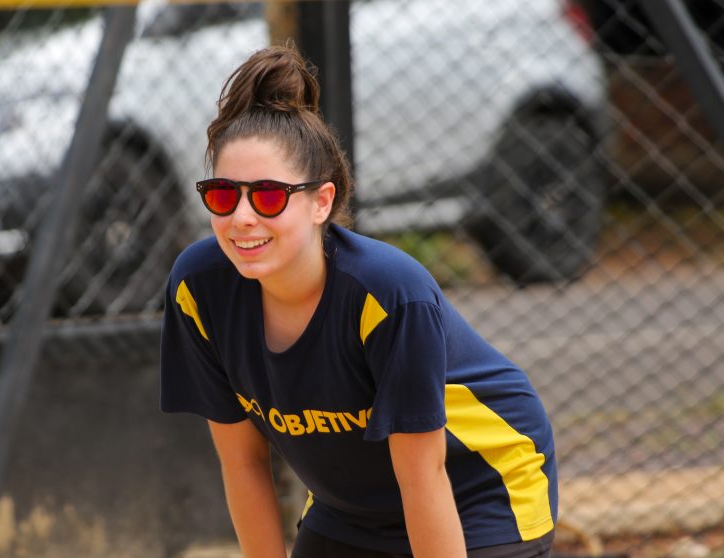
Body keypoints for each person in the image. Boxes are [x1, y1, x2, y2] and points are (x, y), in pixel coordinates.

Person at [160, 45, 557, 558]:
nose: (241, 217)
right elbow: (243, 464)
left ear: (321, 201)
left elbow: (424, 477)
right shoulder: (199, 290)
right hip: (350, 507)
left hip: (477, 488)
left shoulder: (389, 295)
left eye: (268, 196)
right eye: (222, 195)